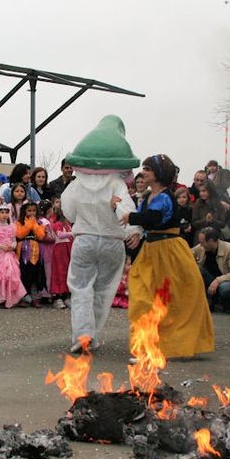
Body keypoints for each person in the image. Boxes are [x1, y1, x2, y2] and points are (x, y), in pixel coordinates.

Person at [121, 154, 214, 360]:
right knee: (142, 298)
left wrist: (131, 217)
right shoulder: (147, 197)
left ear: (159, 174)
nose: (143, 172)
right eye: (144, 169)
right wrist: (135, 229)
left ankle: (178, 345)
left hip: (169, 252)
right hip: (151, 250)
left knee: (175, 299)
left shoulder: (165, 196)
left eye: (148, 169)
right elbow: (145, 223)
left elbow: (153, 218)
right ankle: (145, 345)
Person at [61, 115, 140, 352]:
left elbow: (69, 211)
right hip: (112, 241)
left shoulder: (75, 185)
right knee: (103, 291)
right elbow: (126, 209)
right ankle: (92, 334)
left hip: (84, 239)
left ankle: (82, 336)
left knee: (80, 288)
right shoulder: (117, 184)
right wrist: (133, 230)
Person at [191, 227, 230, 312]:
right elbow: (188, 254)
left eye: (202, 242)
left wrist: (217, 281)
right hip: (209, 280)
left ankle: (225, 301)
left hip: (225, 281)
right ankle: (212, 301)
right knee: (197, 269)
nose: (200, 245)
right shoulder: (201, 248)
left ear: (211, 241)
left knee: (225, 288)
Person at [0, 204, 26, 309]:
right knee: (0, 275)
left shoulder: (12, 226)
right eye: (2, 213)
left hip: (9, 254)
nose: (4, 215)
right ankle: (0, 298)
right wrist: (1, 247)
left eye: (6, 213)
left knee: (12, 274)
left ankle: (10, 297)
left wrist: (13, 246)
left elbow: (14, 240)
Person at [15, 201, 47, 306]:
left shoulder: (40, 223)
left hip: (37, 251)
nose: (32, 213)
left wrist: (34, 225)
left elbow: (41, 236)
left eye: (34, 211)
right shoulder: (19, 222)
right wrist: (29, 225)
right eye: (29, 211)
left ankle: (35, 297)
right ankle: (22, 297)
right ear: (24, 211)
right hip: (23, 251)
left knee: (35, 274)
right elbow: (19, 235)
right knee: (23, 274)